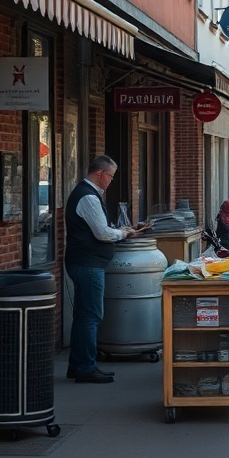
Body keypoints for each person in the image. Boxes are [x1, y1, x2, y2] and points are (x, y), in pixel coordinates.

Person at [65, 155, 138, 384]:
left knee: (83, 316)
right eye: (111, 176)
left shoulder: (87, 194)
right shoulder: (88, 197)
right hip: (88, 265)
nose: (111, 181)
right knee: (91, 316)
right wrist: (124, 233)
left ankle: (78, 365)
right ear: (99, 174)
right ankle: (86, 367)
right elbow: (102, 233)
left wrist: (119, 230)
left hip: (84, 262)